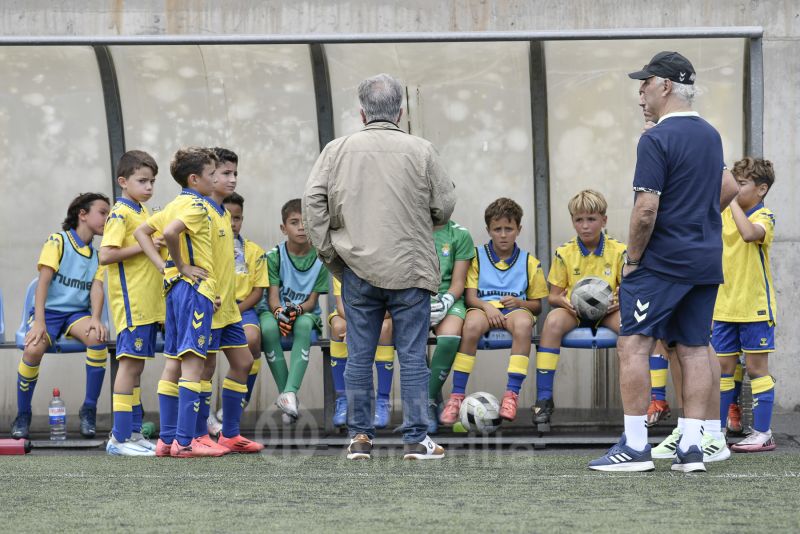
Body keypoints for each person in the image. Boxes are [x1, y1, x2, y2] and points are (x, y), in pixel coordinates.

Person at [589, 51, 738, 473]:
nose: (640, 92)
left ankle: (635, 447)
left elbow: (645, 211)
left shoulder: (654, 139)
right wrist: (697, 219)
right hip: (705, 260)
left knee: (633, 345)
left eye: (645, 83)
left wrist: (632, 260)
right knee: (693, 349)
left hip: (662, 263)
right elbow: (727, 187)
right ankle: (693, 448)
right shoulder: (710, 135)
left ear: (666, 86)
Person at [303, 73, 456, 460]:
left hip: (356, 267)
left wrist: (329, 253)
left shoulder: (336, 150)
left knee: (358, 355)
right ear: (401, 112)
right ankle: (418, 438)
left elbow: (312, 202)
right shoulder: (422, 150)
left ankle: (359, 437)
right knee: (412, 354)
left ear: (361, 112)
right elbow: (444, 205)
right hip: (410, 267)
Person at [135, 147, 223, 458]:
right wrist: (183, 265)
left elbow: (141, 231)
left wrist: (166, 268)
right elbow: (171, 233)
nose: (217, 178)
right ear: (195, 178)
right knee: (193, 366)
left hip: (174, 291)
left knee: (172, 362)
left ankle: (166, 441)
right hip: (193, 290)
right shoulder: (197, 207)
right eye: (212, 174)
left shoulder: (174, 204)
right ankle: (185, 443)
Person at [11, 193, 110, 440]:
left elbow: (97, 288)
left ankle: (89, 409)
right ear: (82, 214)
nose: (107, 218)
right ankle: (23, 414)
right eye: (102, 212)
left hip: (77, 314)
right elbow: (42, 284)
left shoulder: (98, 255)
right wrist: (40, 323)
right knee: (32, 349)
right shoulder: (58, 241)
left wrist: (96, 318)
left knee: (97, 339)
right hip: (50, 313)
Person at [439, 198, 547, 426]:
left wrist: (520, 302)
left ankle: (511, 395)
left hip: (515, 311)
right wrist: (487, 307)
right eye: (497, 229)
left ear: (519, 229)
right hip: (482, 307)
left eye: (509, 228)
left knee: (524, 325)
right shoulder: (476, 256)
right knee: (470, 325)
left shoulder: (530, 262)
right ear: (488, 230)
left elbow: (537, 304)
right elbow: (470, 297)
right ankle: (457, 396)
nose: (503, 234)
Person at [531, 190, 626, 427]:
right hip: (574, 312)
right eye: (579, 220)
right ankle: (543, 399)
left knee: (631, 328)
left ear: (604, 220)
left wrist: (620, 301)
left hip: (608, 313)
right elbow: (553, 296)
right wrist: (563, 302)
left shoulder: (620, 251)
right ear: (573, 221)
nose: (585, 226)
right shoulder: (564, 252)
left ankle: (638, 401)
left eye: (591, 219)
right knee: (552, 321)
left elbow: (629, 291)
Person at [193, 147, 263, 454]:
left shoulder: (222, 212)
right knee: (204, 370)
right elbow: (162, 237)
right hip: (208, 306)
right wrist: (188, 275)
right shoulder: (197, 210)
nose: (232, 179)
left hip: (230, 310)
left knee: (244, 361)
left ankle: (230, 434)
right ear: (207, 176)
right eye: (224, 173)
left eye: (234, 173)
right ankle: (198, 436)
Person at [99, 151, 163, 456]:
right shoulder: (120, 212)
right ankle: (120, 438)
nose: (149, 186)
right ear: (123, 182)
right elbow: (106, 255)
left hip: (148, 304)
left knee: (136, 369)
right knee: (129, 366)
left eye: (152, 180)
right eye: (142, 180)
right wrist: (145, 245)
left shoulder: (144, 211)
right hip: (131, 303)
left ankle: (133, 433)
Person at [713, 157, 777, 453]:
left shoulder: (765, 216)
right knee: (723, 369)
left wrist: (732, 202)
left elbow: (750, 234)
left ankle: (763, 433)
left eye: (741, 185)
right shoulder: (723, 213)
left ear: (761, 189)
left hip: (754, 307)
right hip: (724, 306)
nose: (735, 190)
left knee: (755, 368)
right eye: (734, 184)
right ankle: (718, 431)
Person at [258, 198, 329, 423]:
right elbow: (272, 298)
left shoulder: (321, 257)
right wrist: (280, 313)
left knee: (305, 325)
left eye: (306, 222)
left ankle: (288, 394)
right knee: (267, 327)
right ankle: (289, 396)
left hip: (304, 313)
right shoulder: (274, 256)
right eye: (294, 222)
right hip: (275, 311)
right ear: (283, 228)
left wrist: (294, 311)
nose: (301, 227)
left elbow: (311, 302)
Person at [217, 192, 269, 428]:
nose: (232, 223)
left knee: (252, 338)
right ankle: (203, 418)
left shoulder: (254, 251)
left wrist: (236, 309)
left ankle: (243, 396)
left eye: (237, 218)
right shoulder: (210, 249)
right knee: (202, 361)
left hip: (243, 309)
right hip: (214, 308)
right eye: (227, 217)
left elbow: (257, 292)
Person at [426, 220, 475, 434]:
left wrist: (446, 302)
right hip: (415, 299)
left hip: (449, 299)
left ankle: (425, 402)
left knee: (450, 336)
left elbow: (459, 281)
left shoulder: (460, 234)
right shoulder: (409, 228)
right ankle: (429, 404)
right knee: (411, 339)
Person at [328, 277, 395, 428]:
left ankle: (383, 401)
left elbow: (390, 308)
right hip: (349, 315)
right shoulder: (343, 263)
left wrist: (362, 327)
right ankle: (343, 400)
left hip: (381, 315)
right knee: (339, 327)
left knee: (385, 329)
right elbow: (341, 307)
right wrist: (356, 326)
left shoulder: (381, 263)